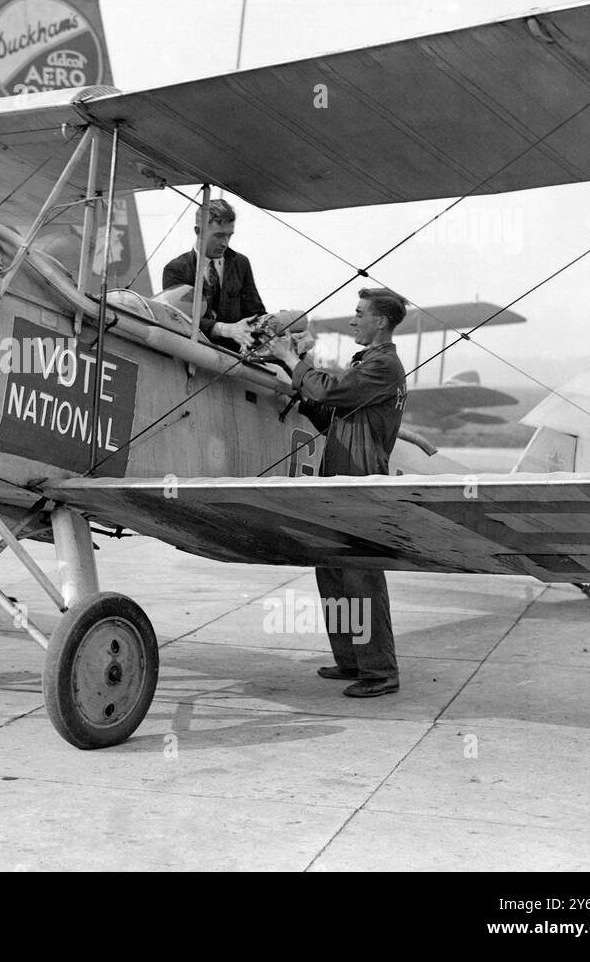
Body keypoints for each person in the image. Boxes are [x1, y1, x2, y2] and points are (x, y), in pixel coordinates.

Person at [267, 288, 408, 698]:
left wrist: (292, 360)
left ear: (381, 321)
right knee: (331, 571)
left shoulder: (383, 365)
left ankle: (380, 672)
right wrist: (300, 387)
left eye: (360, 313)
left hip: (360, 482)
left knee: (361, 577)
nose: (353, 320)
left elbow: (329, 392)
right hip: (340, 478)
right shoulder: (368, 364)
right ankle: (352, 661)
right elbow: (331, 415)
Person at [160, 198, 265, 349]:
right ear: (198, 231)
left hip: (237, 353)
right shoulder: (176, 269)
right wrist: (225, 329)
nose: (225, 243)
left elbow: (255, 312)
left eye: (229, 235)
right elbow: (178, 318)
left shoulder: (241, 263)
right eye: (219, 235)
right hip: (196, 352)